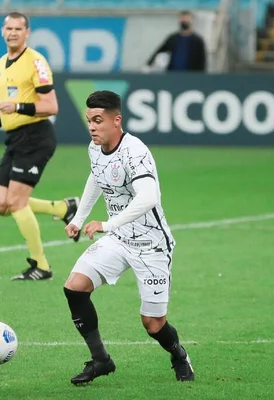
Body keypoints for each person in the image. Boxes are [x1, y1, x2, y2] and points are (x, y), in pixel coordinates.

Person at [62, 90, 194, 385]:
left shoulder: (135, 152)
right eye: (89, 121)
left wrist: (107, 224)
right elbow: (97, 176)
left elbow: (149, 197)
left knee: (153, 324)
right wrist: (79, 218)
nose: (92, 127)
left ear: (116, 120)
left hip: (151, 245)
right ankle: (101, 360)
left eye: (98, 120)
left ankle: (178, 355)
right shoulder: (95, 148)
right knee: (75, 287)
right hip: (119, 239)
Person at [0, 12, 80, 281]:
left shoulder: (36, 62)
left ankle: (41, 266)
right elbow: (6, 105)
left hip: (36, 137)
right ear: (2, 31)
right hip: (15, 138)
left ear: (27, 33)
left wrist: (18, 107)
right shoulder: (2, 63)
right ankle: (64, 209)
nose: (13, 33)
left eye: (19, 28)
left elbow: (51, 106)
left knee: (16, 202)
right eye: (9, 28)